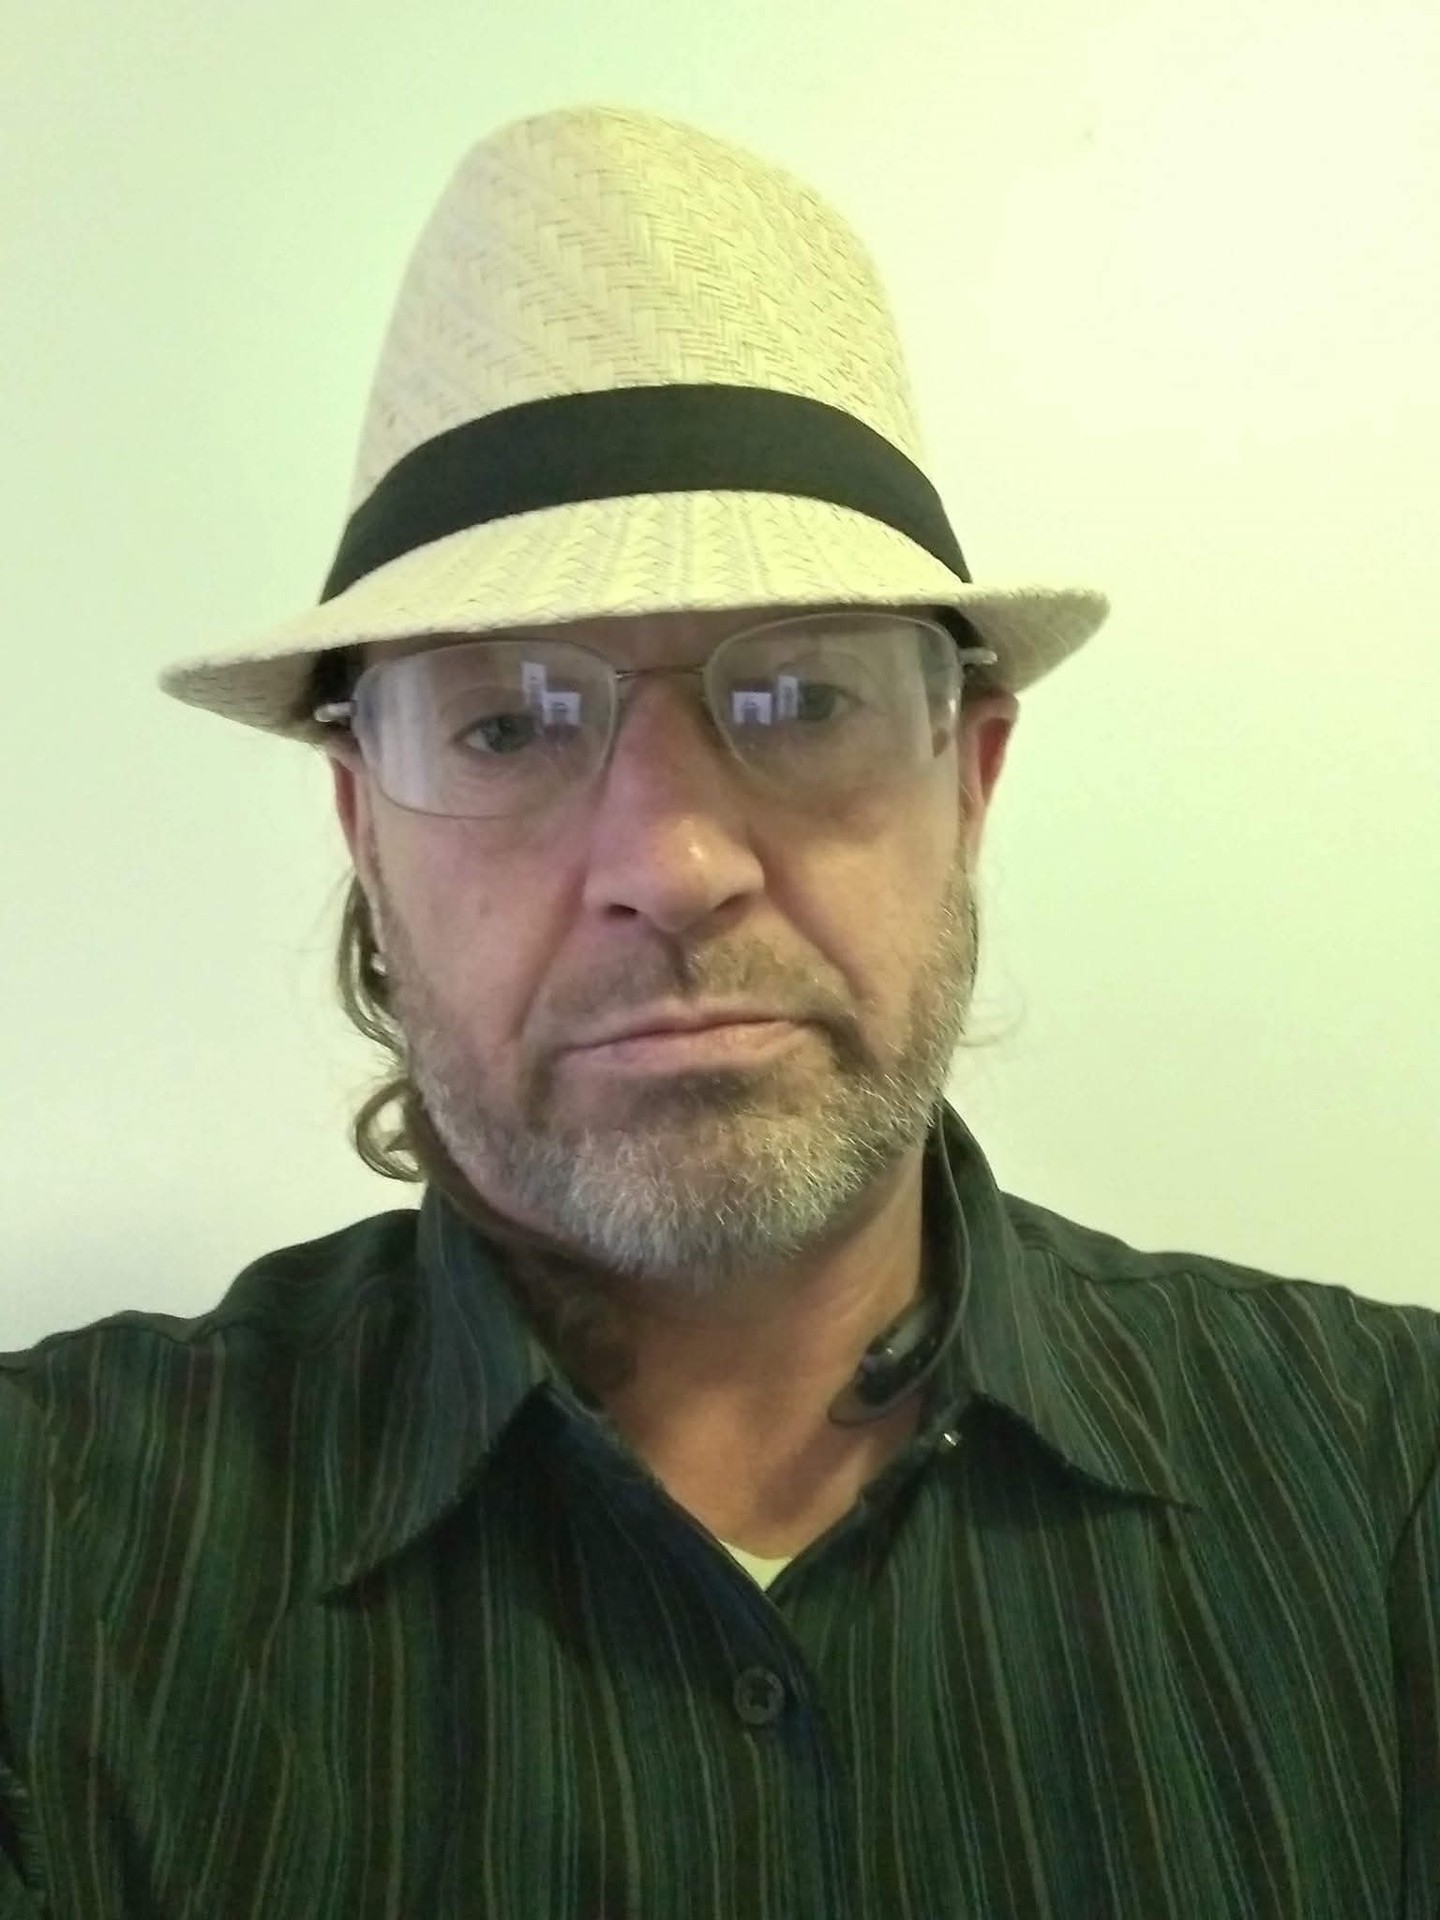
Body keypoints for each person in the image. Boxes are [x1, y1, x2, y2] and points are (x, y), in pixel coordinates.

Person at [2, 103, 1436, 1919]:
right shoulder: (48, 1555)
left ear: (970, 779)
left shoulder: (1386, 1482)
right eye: (508, 722)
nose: (674, 865)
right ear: (365, 829)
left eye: (802, 701)